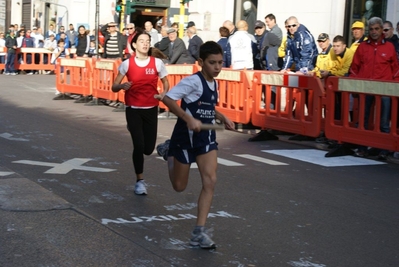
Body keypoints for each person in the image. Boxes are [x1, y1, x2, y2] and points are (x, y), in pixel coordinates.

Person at [156, 41, 235, 249]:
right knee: (179, 187)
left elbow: (207, 107)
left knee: (210, 180)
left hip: (206, 137)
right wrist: (187, 118)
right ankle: (169, 152)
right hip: (185, 138)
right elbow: (169, 99)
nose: (217, 67)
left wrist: (222, 116)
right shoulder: (192, 81)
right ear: (200, 62)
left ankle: (199, 232)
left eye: (220, 62)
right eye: (212, 63)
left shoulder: (214, 83)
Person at [111, 29, 169, 195]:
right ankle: (140, 181)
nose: (145, 43)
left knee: (148, 149)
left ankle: (161, 147)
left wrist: (163, 94)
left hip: (151, 108)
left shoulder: (157, 63)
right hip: (133, 109)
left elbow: (166, 82)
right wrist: (122, 86)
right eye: (141, 41)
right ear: (134, 45)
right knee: (139, 145)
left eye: (147, 41)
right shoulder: (127, 64)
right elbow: (114, 87)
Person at [350, 17, 399, 159]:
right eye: (371, 29)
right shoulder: (362, 47)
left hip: (384, 89)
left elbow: (396, 69)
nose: (374, 32)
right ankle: (362, 147)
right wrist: (355, 85)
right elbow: (354, 68)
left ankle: (384, 148)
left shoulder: (389, 47)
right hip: (366, 88)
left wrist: (395, 87)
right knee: (363, 120)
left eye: (377, 29)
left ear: (381, 29)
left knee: (384, 122)